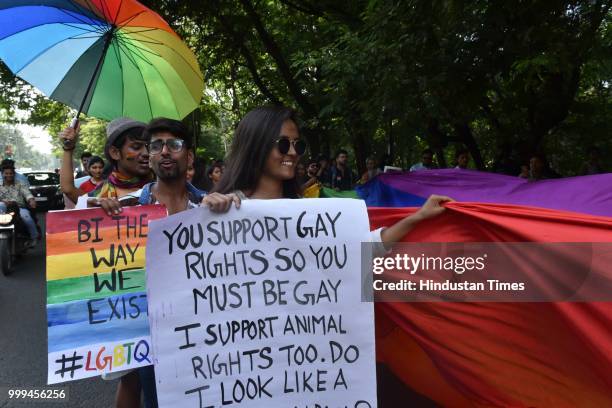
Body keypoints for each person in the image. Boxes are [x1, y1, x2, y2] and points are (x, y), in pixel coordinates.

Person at [97, 118, 237, 408]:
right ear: (149, 156)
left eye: (173, 145)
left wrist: (230, 207)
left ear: (189, 156)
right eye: (156, 145)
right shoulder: (127, 210)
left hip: (205, 334)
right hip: (150, 333)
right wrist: (105, 218)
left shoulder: (212, 207)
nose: (164, 152)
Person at [215, 105, 451, 245]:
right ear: (256, 145)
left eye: (299, 145)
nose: (294, 153)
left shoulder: (306, 211)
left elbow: (357, 251)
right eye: (284, 144)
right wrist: (206, 213)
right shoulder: (225, 209)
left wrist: (418, 217)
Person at [60, 117, 154, 212]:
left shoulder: (161, 187)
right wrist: (68, 148)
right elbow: (68, 189)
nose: (146, 153)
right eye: (136, 147)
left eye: (149, 146)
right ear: (115, 153)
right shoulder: (98, 197)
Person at [0, 163, 38, 246]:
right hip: (3, 210)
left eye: (11, 173)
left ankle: (34, 237)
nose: (9, 175)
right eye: (6, 173)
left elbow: (27, 193)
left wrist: (31, 200)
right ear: (2, 174)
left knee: (27, 219)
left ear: (14, 174)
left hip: (19, 208)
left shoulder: (20, 184)